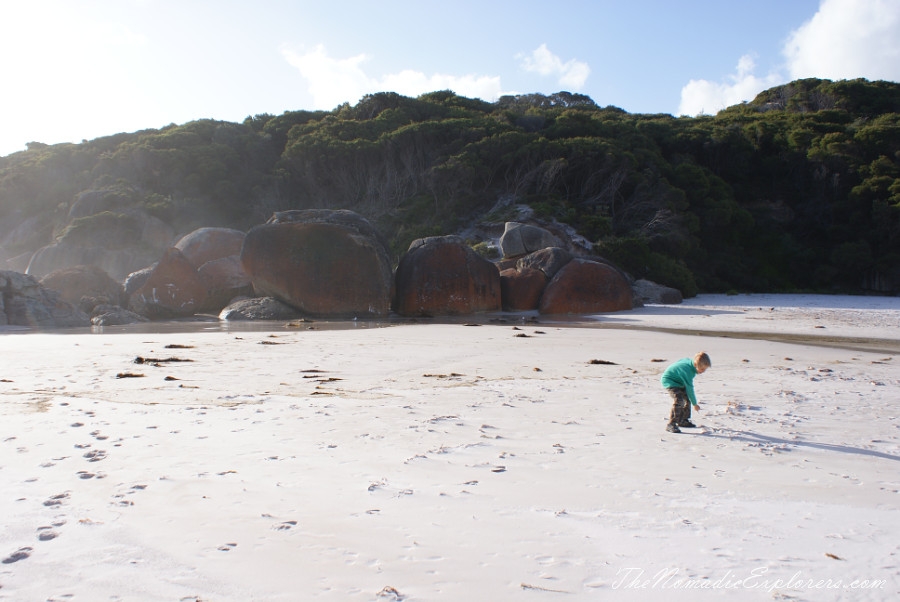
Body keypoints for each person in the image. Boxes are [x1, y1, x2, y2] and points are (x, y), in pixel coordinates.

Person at [661, 352, 711, 433]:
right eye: (702, 369)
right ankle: (671, 424)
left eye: (705, 369)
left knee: (686, 398)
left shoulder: (690, 363)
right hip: (669, 381)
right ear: (696, 365)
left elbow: (682, 360)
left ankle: (682, 420)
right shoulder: (687, 371)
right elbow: (690, 389)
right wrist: (695, 404)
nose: (703, 371)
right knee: (679, 400)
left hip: (679, 381)